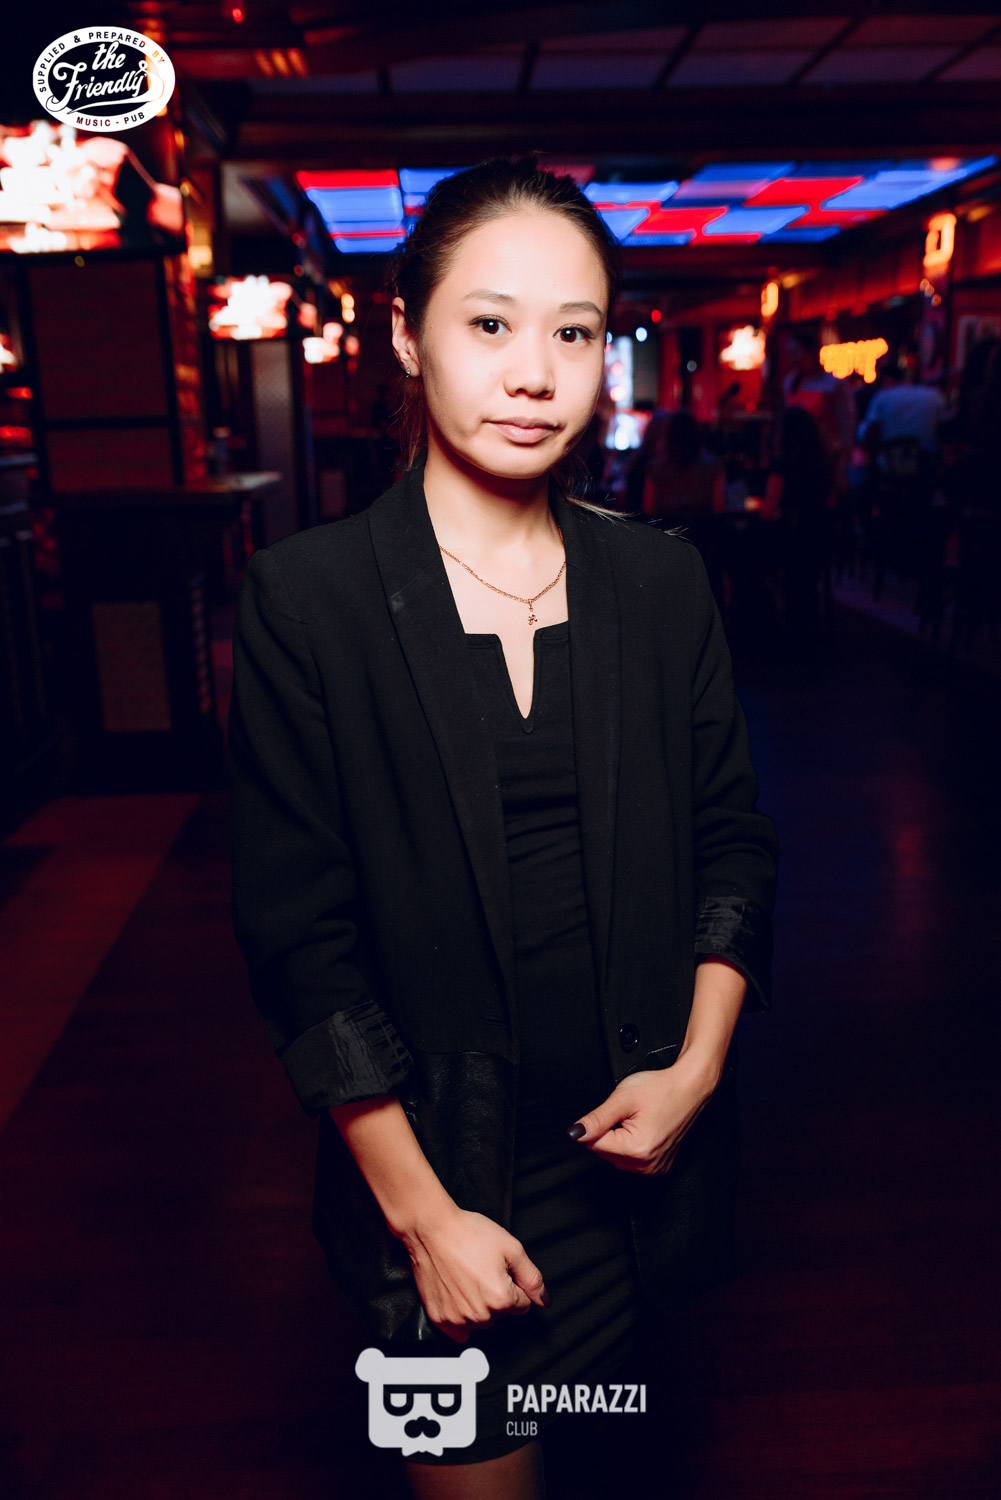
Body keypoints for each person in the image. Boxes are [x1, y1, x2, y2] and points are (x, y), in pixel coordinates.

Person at [228, 155, 779, 1500]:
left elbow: (733, 843)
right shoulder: (310, 600)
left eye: (573, 333)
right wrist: (425, 1222)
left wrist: (698, 1071)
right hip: (442, 1171)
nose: (534, 373)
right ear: (407, 336)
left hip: (637, 1158)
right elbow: (302, 947)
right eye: (489, 323)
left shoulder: (659, 582)